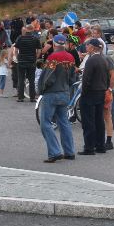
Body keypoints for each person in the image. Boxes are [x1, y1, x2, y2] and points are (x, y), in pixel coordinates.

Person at [37, 34, 77, 162]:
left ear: (54, 44)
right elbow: (73, 77)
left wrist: (41, 89)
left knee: (46, 123)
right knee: (64, 122)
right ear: (65, 44)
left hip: (52, 93)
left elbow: (48, 77)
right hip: (65, 92)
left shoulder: (52, 58)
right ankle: (69, 151)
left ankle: (55, 152)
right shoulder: (70, 57)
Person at [78, 38, 110, 155]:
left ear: (92, 47)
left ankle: (89, 147)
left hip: (90, 93)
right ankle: (100, 145)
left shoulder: (91, 60)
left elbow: (86, 79)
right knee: (99, 120)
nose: (86, 47)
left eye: (87, 45)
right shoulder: (103, 59)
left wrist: (84, 93)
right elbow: (107, 77)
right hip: (101, 92)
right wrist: (105, 89)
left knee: (88, 121)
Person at [15, 24, 41, 102]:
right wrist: (35, 58)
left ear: (26, 29)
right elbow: (39, 50)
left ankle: (20, 97)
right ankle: (32, 97)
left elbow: (16, 50)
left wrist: (18, 58)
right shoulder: (35, 38)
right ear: (32, 29)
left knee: (21, 79)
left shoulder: (20, 38)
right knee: (31, 80)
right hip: (31, 61)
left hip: (21, 61)